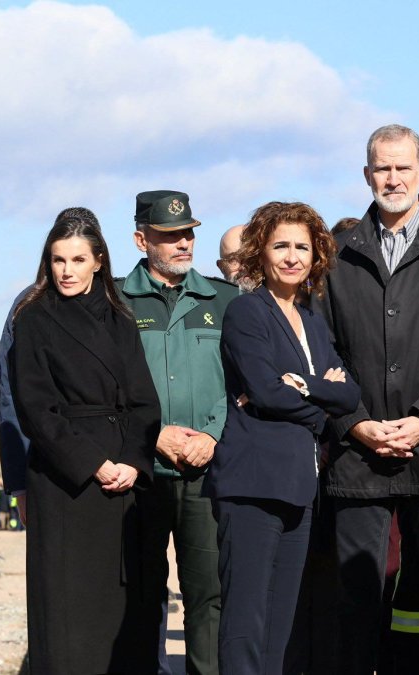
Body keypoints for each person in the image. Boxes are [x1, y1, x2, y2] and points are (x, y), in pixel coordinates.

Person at [314, 124, 419, 675]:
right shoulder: (335, 255)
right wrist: (357, 423)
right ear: (366, 174)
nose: (392, 178)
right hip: (357, 456)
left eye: (401, 167)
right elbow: (323, 350)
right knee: (356, 599)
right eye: (381, 168)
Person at [203, 201, 360, 673]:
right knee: (246, 620)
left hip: (298, 484)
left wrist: (306, 385)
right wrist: (320, 403)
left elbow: (350, 393)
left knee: (280, 623)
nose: (292, 257)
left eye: (302, 247)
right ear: (259, 253)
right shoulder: (246, 312)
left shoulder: (312, 318)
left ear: (316, 256)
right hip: (251, 484)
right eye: (281, 246)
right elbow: (268, 393)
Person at [10, 213, 161, 674]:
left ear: (99, 261)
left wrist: (133, 461)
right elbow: (36, 411)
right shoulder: (33, 318)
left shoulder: (120, 318)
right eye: (58, 260)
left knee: (122, 612)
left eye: (78, 259)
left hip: (124, 482)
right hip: (66, 483)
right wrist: (95, 463)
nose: (67, 271)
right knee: (67, 611)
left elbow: (144, 402)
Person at [118, 190, 239, 675]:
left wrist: (212, 435)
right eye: (169, 236)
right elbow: (107, 387)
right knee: (141, 592)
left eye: (188, 233)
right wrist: (154, 434)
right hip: (140, 470)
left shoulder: (225, 300)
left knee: (207, 593)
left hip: (205, 471)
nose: (183, 243)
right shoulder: (114, 304)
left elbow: (242, 383)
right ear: (141, 239)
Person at [0, 206, 102, 529]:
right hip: (46, 470)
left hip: (108, 470)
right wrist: (20, 484)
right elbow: (10, 396)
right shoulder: (27, 307)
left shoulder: (115, 306)